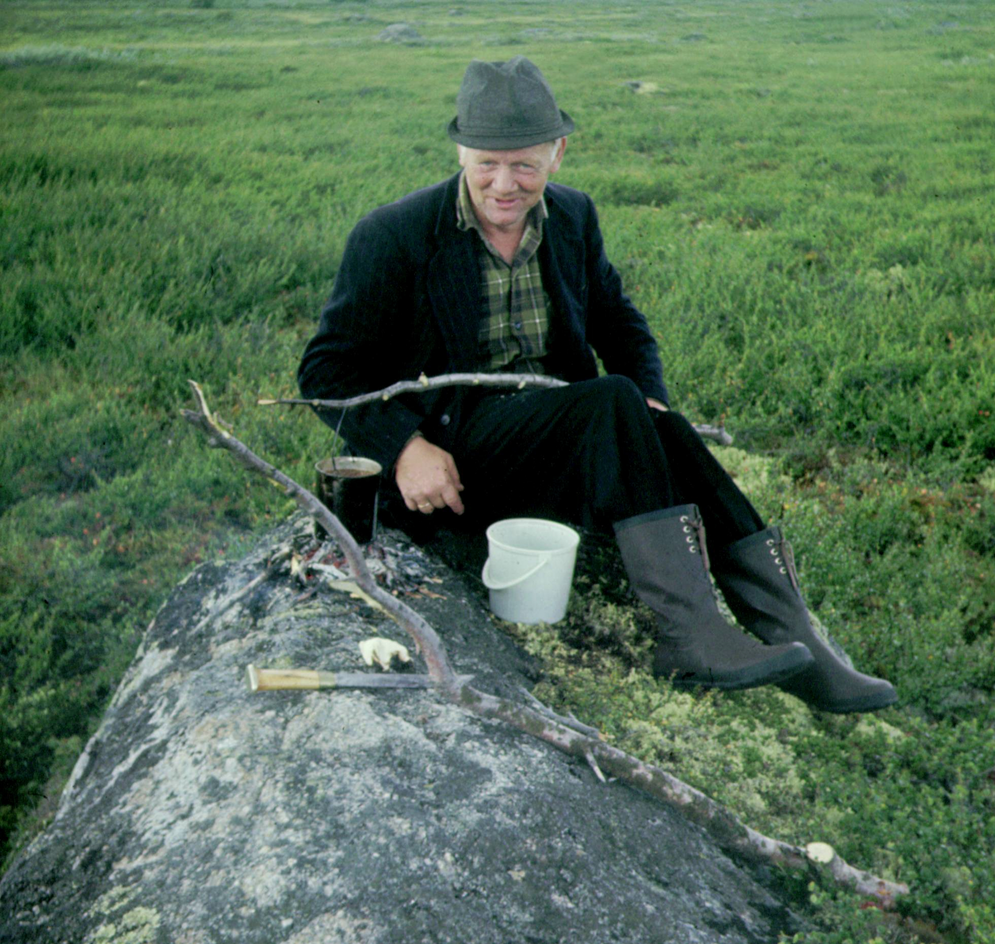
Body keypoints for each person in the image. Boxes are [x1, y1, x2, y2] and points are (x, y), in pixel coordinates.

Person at [298, 56, 897, 712]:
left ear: (557, 153)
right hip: (459, 457)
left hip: (562, 442)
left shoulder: (573, 218)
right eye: (487, 164)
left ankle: (797, 638)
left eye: (525, 164)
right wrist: (407, 446)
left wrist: (650, 392)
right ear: (462, 153)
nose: (505, 184)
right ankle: (689, 635)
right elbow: (325, 372)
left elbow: (619, 320)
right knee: (611, 403)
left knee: (656, 422)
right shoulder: (395, 236)